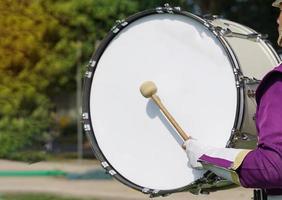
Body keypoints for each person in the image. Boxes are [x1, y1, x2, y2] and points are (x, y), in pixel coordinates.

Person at [184, 1, 282, 199]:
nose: (278, 20)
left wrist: (205, 156)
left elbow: (272, 168)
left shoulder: (279, 82)